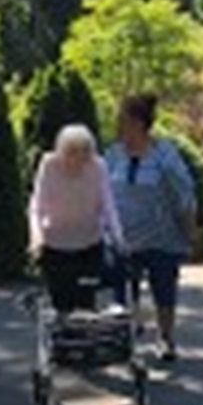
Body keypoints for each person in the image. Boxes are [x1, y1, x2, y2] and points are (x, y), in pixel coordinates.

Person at [105, 93, 196, 362]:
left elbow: (184, 194)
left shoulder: (164, 155)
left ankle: (165, 338)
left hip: (162, 236)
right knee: (122, 290)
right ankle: (125, 335)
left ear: (138, 123)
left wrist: (190, 231)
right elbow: (102, 192)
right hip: (124, 237)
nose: (118, 126)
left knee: (164, 288)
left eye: (122, 120)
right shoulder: (113, 155)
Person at [29, 124, 124, 313]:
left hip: (89, 244)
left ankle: (84, 341)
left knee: (85, 301)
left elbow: (108, 205)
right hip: (55, 244)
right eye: (72, 153)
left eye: (84, 154)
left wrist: (118, 237)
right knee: (61, 301)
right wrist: (36, 238)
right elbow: (37, 206)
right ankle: (62, 340)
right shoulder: (49, 164)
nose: (79, 160)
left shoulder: (98, 166)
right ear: (62, 151)